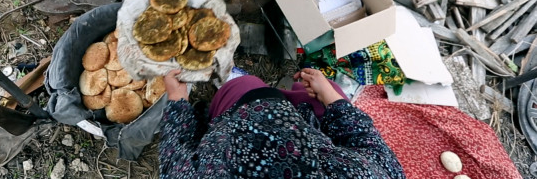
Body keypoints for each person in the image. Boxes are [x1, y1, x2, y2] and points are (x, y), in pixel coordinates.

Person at [160, 67, 406, 178]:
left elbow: (174, 157)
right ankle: (293, 91)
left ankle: (238, 84)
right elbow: (366, 140)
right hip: (304, 123)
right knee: (325, 89)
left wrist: (178, 100)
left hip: (238, 112)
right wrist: (331, 99)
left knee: (243, 84)